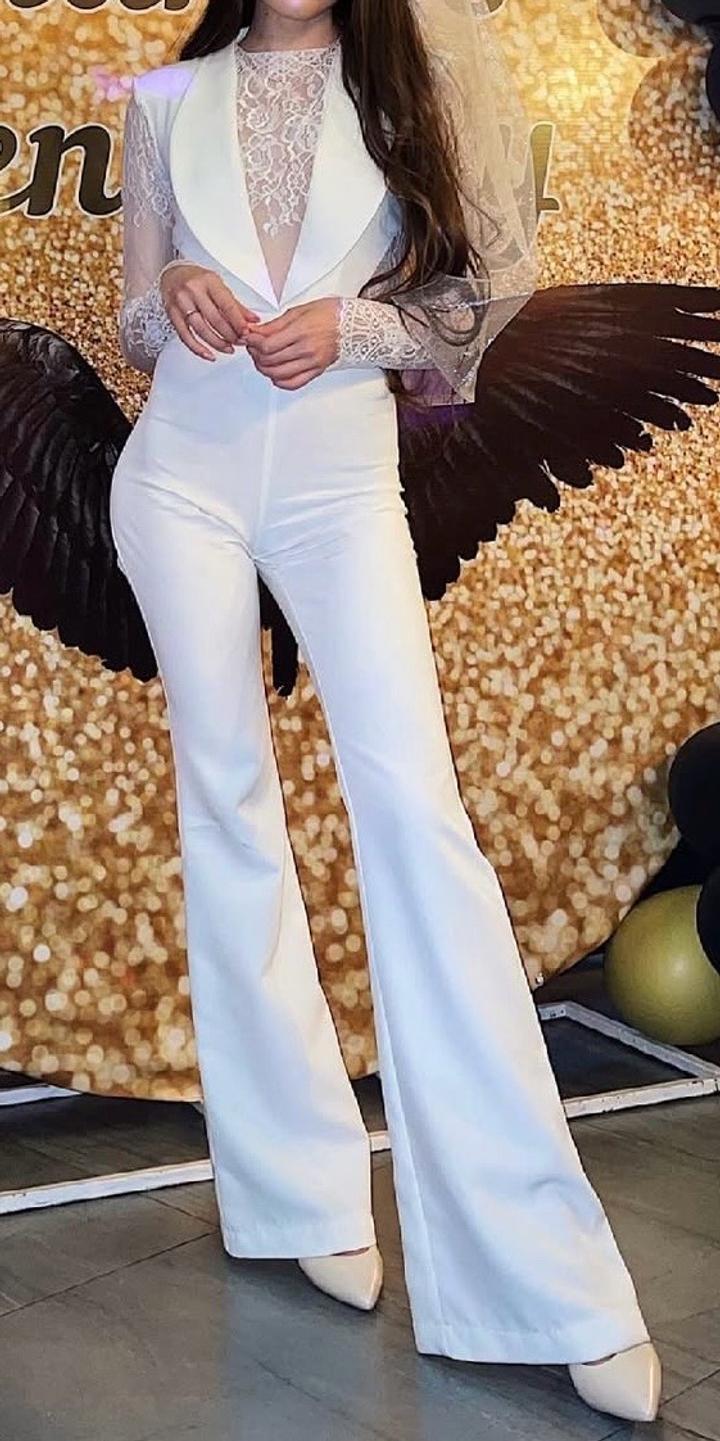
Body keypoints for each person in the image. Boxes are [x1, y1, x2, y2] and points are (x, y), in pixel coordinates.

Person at [110, 0, 662, 1422]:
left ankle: (542, 1279)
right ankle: (295, 1194)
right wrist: (174, 296)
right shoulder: (168, 96)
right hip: (177, 481)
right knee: (226, 810)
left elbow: (475, 296)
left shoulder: (413, 83)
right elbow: (133, 315)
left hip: (340, 488)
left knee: (418, 823)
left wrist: (353, 323)